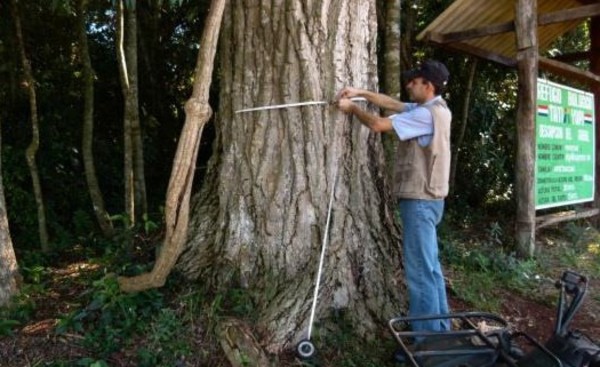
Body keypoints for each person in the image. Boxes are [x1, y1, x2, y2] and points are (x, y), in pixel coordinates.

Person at [335, 60, 452, 333]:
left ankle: (428, 342)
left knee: (421, 273)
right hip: (431, 200)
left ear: (428, 85)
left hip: (420, 202)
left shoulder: (425, 115)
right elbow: (392, 104)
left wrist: (352, 108)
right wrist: (360, 93)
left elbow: (377, 123)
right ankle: (441, 330)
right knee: (431, 268)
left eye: (415, 81)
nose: (409, 84)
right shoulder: (436, 108)